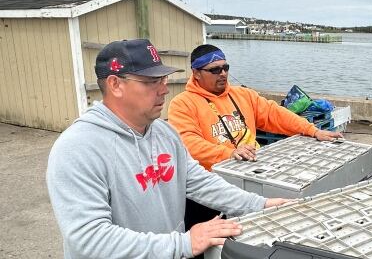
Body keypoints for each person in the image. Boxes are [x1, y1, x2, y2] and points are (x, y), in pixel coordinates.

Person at [46, 39, 289, 259]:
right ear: (115, 85)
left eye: (162, 79)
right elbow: (89, 238)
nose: (164, 89)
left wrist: (260, 205)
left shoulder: (164, 133)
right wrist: (183, 244)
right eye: (151, 82)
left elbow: (198, 182)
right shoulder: (76, 149)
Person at [167, 44, 342, 227]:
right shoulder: (182, 104)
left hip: (250, 177)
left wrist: (313, 131)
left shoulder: (244, 95)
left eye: (225, 67)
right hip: (209, 190)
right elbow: (187, 143)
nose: (223, 73)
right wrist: (228, 154)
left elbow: (275, 114)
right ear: (196, 73)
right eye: (215, 70)